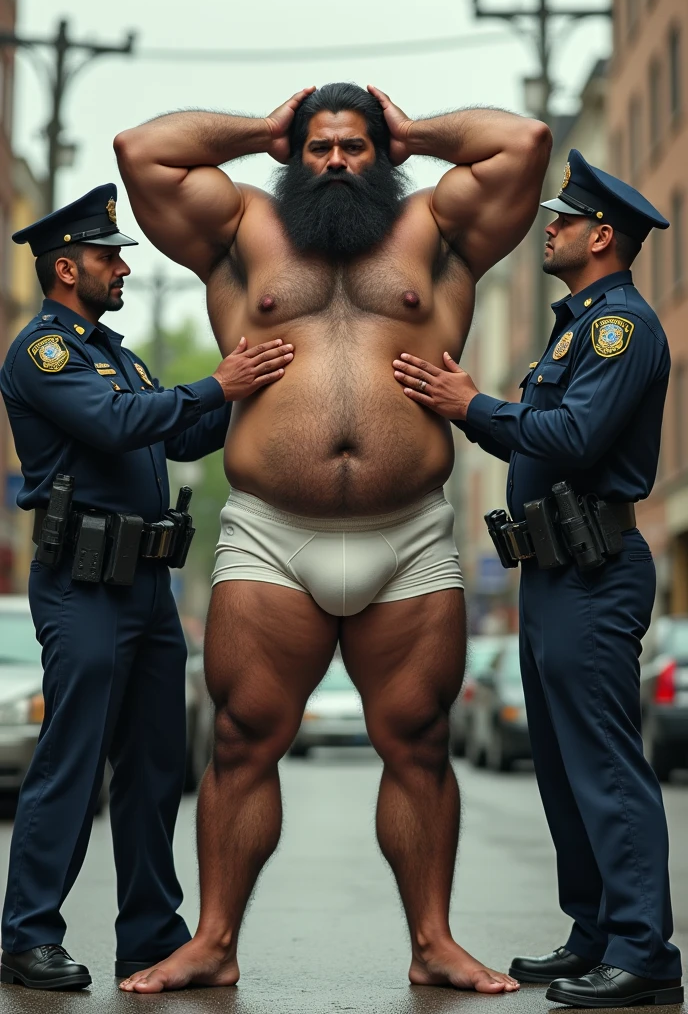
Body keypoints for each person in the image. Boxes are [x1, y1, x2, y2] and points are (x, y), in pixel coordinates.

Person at [113, 82, 551, 994]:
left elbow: (525, 141)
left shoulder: (436, 227)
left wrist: (413, 130)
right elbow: (140, 150)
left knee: (420, 739)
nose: (338, 162)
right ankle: (216, 939)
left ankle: (432, 939)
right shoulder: (242, 229)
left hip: (410, 535)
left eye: (356, 146)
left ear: (382, 152)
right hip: (274, 533)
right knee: (241, 738)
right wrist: (257, 130)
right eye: (319, 147)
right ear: (293, 154)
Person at [390, 149, 684, 1009]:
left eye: (563, 219)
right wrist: (470, 409)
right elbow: (532, 434)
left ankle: (643, 952)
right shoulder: (573, 328)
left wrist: (474, 404)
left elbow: (577, 438)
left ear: (602, 236)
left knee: (603, 763)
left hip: (597, 568)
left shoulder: (620, 328)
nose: (547, 227)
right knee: (559, 766)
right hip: (554, 572)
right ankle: (593, 930)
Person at [0, 184, 295, 991]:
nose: (122, 266)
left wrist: (251, 371)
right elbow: (120, 424)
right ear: (66, 267)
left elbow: (187, 429)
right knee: (73, 760)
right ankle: (28, 935)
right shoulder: (44, 352)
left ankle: (150, 936)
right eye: (108, 256)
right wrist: (216, 388)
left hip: (146, 588)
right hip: (82, 586)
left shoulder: (118, 354)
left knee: (157, 764)